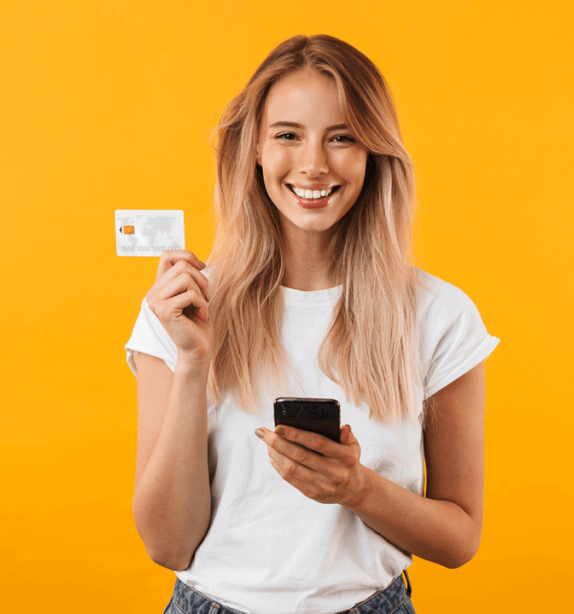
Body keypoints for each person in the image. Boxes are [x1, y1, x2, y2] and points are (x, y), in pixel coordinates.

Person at [124, 34, 500, 614]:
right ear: (253, 149)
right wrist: (195, 363)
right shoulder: (180, 312)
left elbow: (459, 539)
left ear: (374, 153)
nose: (313, 164)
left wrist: (358, 489)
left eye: (342, 137)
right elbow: (168, 545)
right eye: (288, 135)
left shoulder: (439, 316)